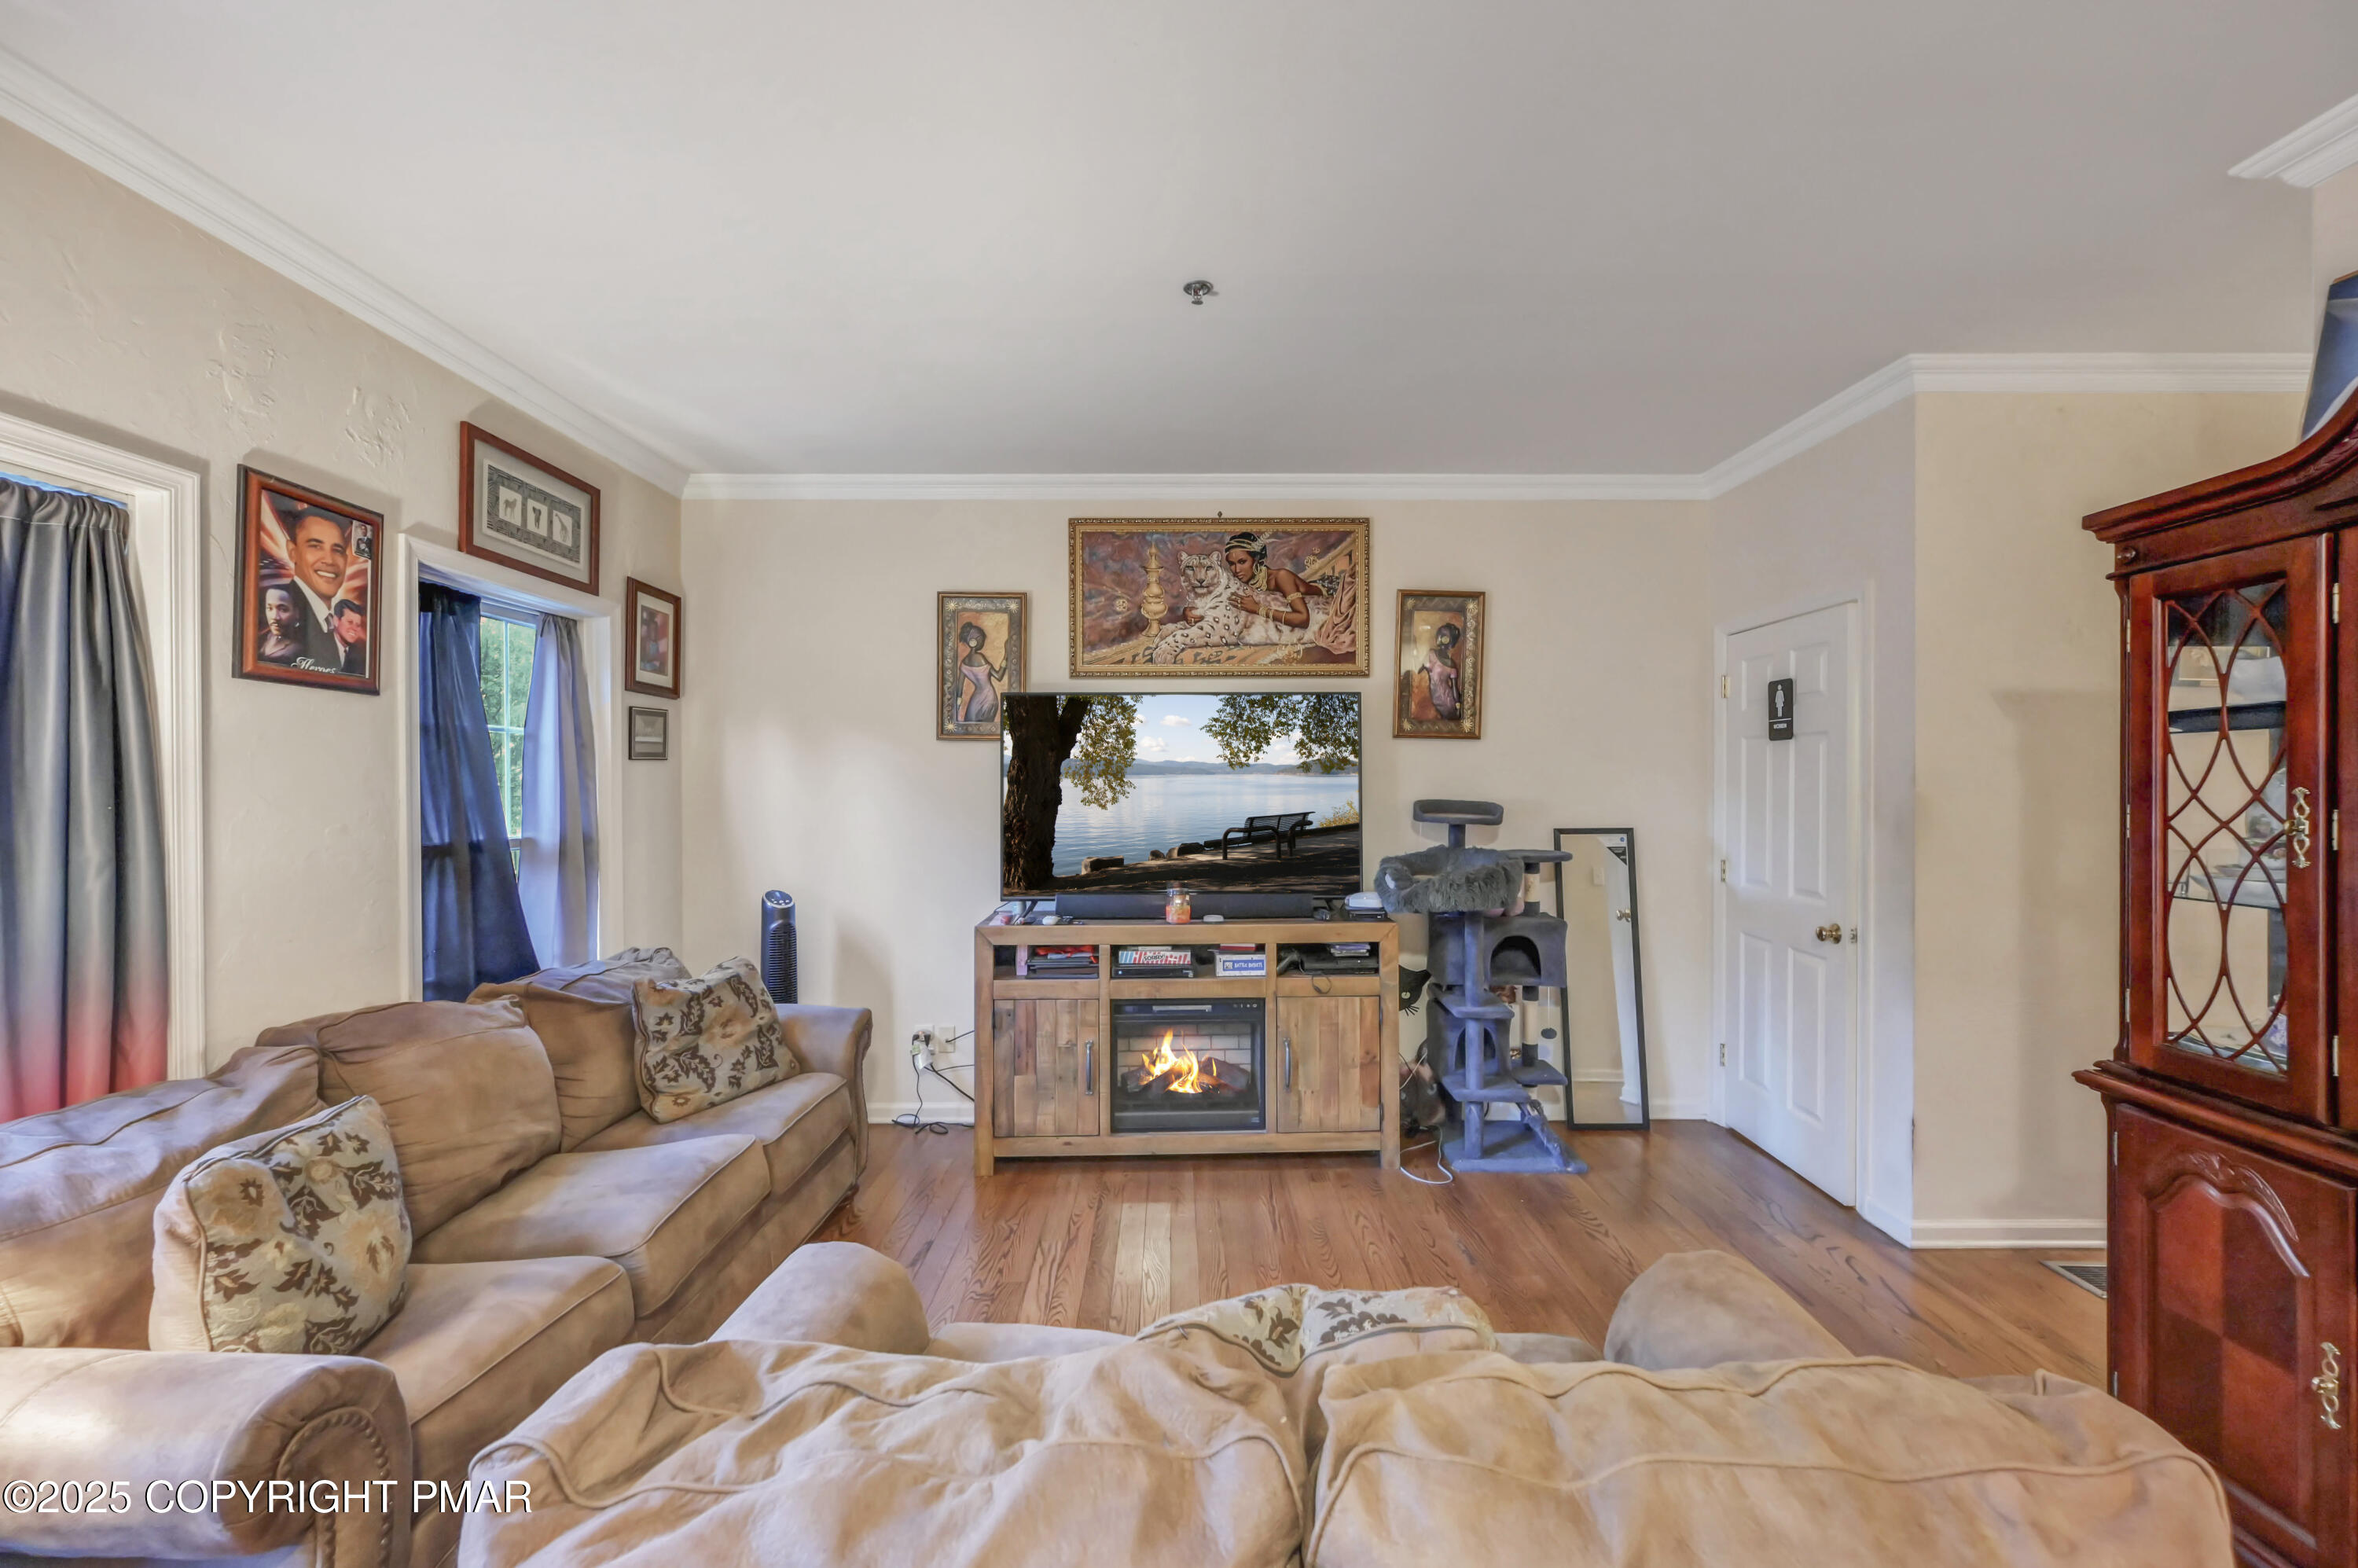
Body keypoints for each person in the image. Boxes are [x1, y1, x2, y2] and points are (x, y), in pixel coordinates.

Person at [1188, 531, 1321, 635]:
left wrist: (1258, 609)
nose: (1236, 570)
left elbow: (1303, 619)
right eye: (1232, 564)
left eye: (1242, 562)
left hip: (1327, 588)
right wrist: (1189, 612)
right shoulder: (1237, 582)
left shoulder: (1281, 577)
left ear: (1257, 560)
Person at [274, 507, 355, 672]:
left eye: (337, 550)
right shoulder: (283, 616)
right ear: (293, 552)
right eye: (316, 546)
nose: (329, 560)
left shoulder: (336, 624)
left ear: (346, 560)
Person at [955, 620, 1004, 724]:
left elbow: (959, 691)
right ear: (974, 641)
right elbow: (999, 676)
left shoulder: (963, 663)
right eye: (981, 639)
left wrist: (956, 708)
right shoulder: (981, 658)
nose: (983, 642)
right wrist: (1006, 658)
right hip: (989, 699)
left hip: (975, 699)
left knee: (970, 726)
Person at [1423, 622, 1463, 719]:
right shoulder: (1430, 653)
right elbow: (1417, 667)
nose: (1440, 637)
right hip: (1436, 699)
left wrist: (1458, 707)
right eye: (1439, 634)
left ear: (1450, 641)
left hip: (1447, 702)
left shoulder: (1451, 664)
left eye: (1444, 636)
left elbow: (1454, 688)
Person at [257, 582, 303, 664]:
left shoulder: (298, 649)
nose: (275, 617)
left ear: (296, 613)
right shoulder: (265, 637)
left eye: (283, 610)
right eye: (270, 608)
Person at [331, 598, 369, 676]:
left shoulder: (362, 656)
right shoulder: (316, 645)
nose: (354, 628)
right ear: (336, 621)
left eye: (358, 625)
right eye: (350, 622)